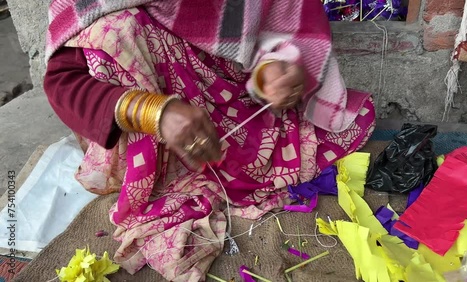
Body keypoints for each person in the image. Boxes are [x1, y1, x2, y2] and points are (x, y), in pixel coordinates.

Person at [44, 0, 375, 280]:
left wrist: (273, 70)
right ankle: (166, 170)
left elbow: (281, 22)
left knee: (345, 124)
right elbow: (63, 83)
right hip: (146, 136)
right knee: (115, 30)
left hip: (236, 103)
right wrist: (153, 112)